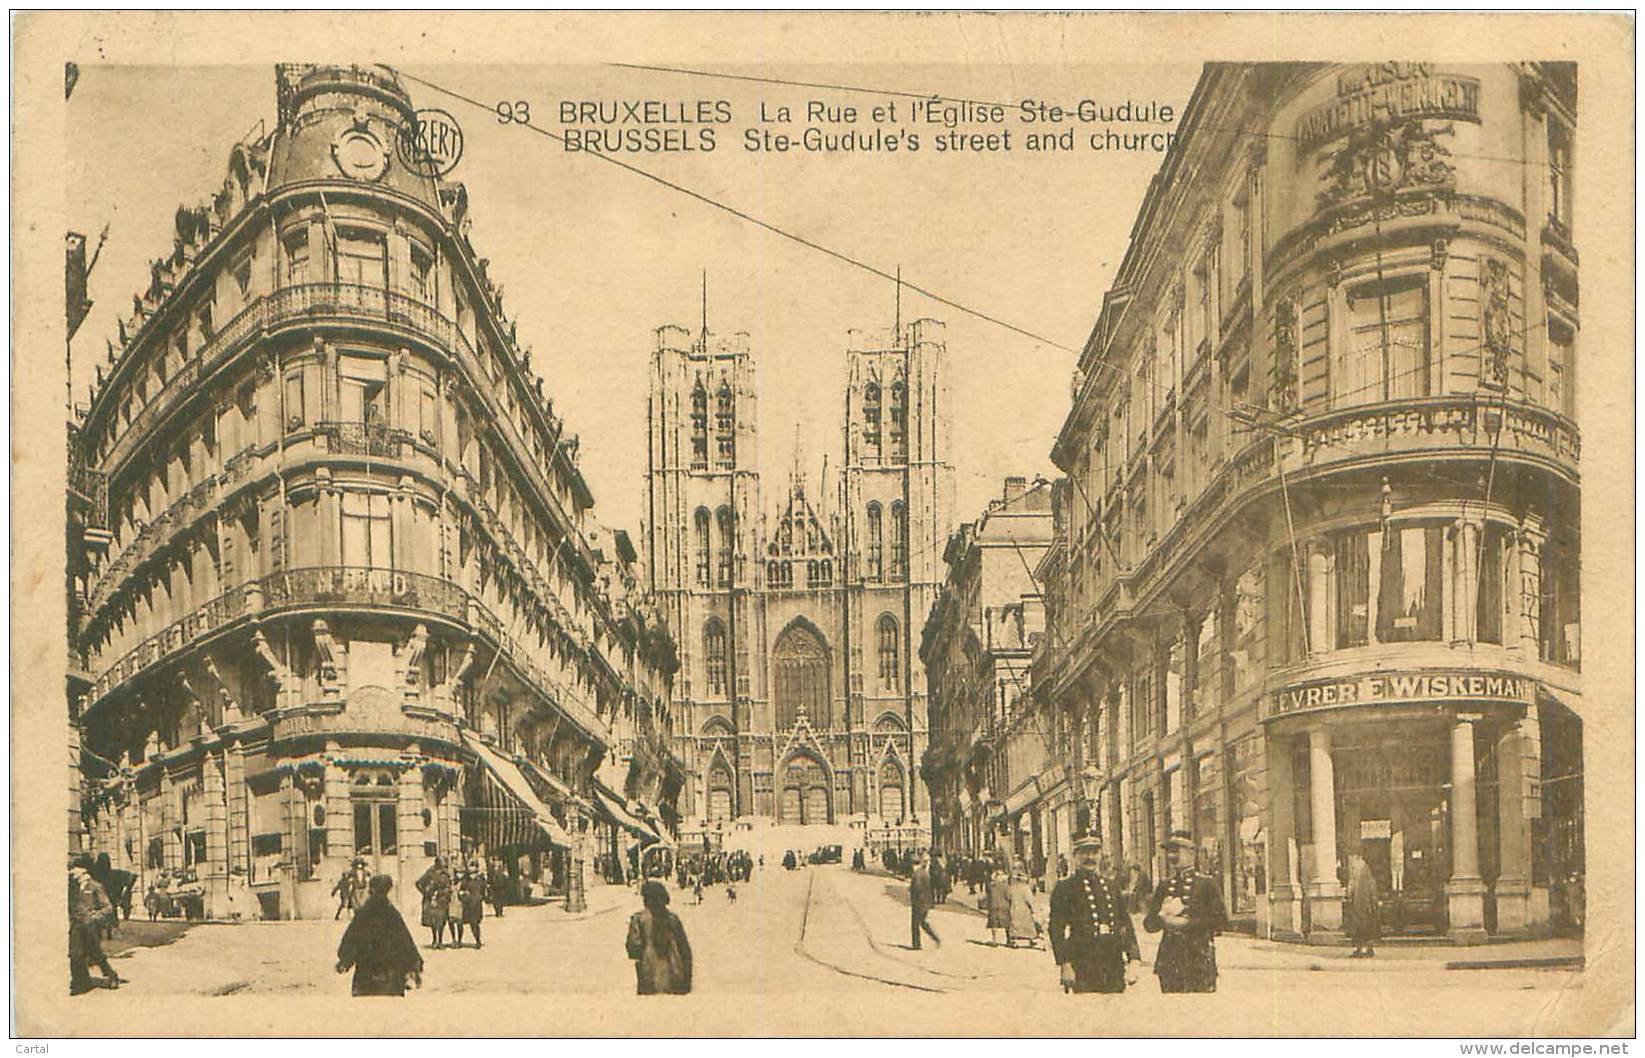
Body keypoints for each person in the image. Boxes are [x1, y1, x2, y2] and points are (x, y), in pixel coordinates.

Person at [1048, 832, 1140, 993]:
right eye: (1084, 852)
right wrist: (1065, 964)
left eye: (1094, 852)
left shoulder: (1111, 886)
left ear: (1101, 855)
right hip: (1083, 964)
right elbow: (1056, 929)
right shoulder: (1065, 888)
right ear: (1075, 855)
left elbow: (1125, 924)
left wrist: (1134, 958)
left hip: (1113, 964)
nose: (1090, 857)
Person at [1144, 830, 1227, 993]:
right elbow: (1149, 925)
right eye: (1170, 852)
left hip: (1198, 959)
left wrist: (1187, 923)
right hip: (1169, 962)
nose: (1172, 856)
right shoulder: (1164, 886)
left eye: (1176, 851)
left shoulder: (1207, 884)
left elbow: (1221, 922)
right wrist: (1161, 917)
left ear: (1191, 853)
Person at [336, 874, 424, 996]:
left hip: (366, 975)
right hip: (391, 976)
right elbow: (405, 942)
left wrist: (345, 960)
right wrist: (413, 964)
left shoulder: (363, 914)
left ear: (371, 890)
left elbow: (351, 938)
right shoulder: (392, 914)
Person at [69, 857, 125, 995]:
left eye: (74, 868)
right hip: (77, 925)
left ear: (83, 870)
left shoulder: (95, 886)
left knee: (96, 954)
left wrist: (94, 917)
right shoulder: (74, 886)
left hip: (90, 926)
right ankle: (81, 982)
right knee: (75, 954)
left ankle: (111, 975)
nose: (71, 871)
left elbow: (108, 907)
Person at [626, 880, 692, 995]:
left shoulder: (638, 920)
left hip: (648, 976)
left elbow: (633, 949)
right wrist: (687, 980)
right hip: (674, 976)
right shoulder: (672, 919)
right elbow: (685, 951)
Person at [1345, 854, 1380, 958]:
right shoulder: (1369, 879)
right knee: (1365, 927)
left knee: (1362, 927)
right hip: (1364, 907)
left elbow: (1351, 890)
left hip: (1362, 907)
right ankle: (1365, 948)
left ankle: (1362, 948)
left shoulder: (1361, 876)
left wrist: (1349, 895)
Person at [415, 855, 454, 948]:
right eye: (441, 863)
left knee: (441, 921)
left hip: (442, 900)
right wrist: (425, 892)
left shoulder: (446, 874)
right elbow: (418, 883)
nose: (442, 866)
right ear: (436, 863)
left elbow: (449, 887)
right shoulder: (430, 872)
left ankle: (440, 940)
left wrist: (446, 892)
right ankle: (434, 940)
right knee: (433, 921)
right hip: (431, 899)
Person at [908, 850, 941, 950]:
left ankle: (916, 945)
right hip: (926, 902)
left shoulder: (917, 874)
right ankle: (935, 937)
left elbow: (917, 888)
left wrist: (911, 890)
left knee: (915, 924)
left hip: (919, 902)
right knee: (922, 922)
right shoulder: (924, 873)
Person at [1005, 866, 1042, 948]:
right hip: (1025, 910)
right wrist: (1033, 909)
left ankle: (1013, 940)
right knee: (1028, 925)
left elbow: (1008, 897)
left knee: (1015, 924)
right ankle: (1031, 939)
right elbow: (1030, 900)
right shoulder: (1026, 888)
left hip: (1015, 908)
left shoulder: (1012, 888)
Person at [454, 862, 487, 948]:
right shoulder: (465, 882)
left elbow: (484, 893)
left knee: (475, 924)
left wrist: (480, 898)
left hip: (476, 906)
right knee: (460, 923)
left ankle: (478, 941)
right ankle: (459, 941)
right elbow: (460, 893)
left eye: (474, 873)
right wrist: (464, 895)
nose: (473, 875)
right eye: (471, 873)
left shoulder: (480, 881)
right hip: (467, 906)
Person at [983, 865, 1011, 945]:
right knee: (1007, 924)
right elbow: (1009, 896)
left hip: (993, 905)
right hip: (1004, 906)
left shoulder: (991, 886)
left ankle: (994, 940)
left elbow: (988, 895)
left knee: (994, 924)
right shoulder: (1006, 886)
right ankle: (1008, 940)